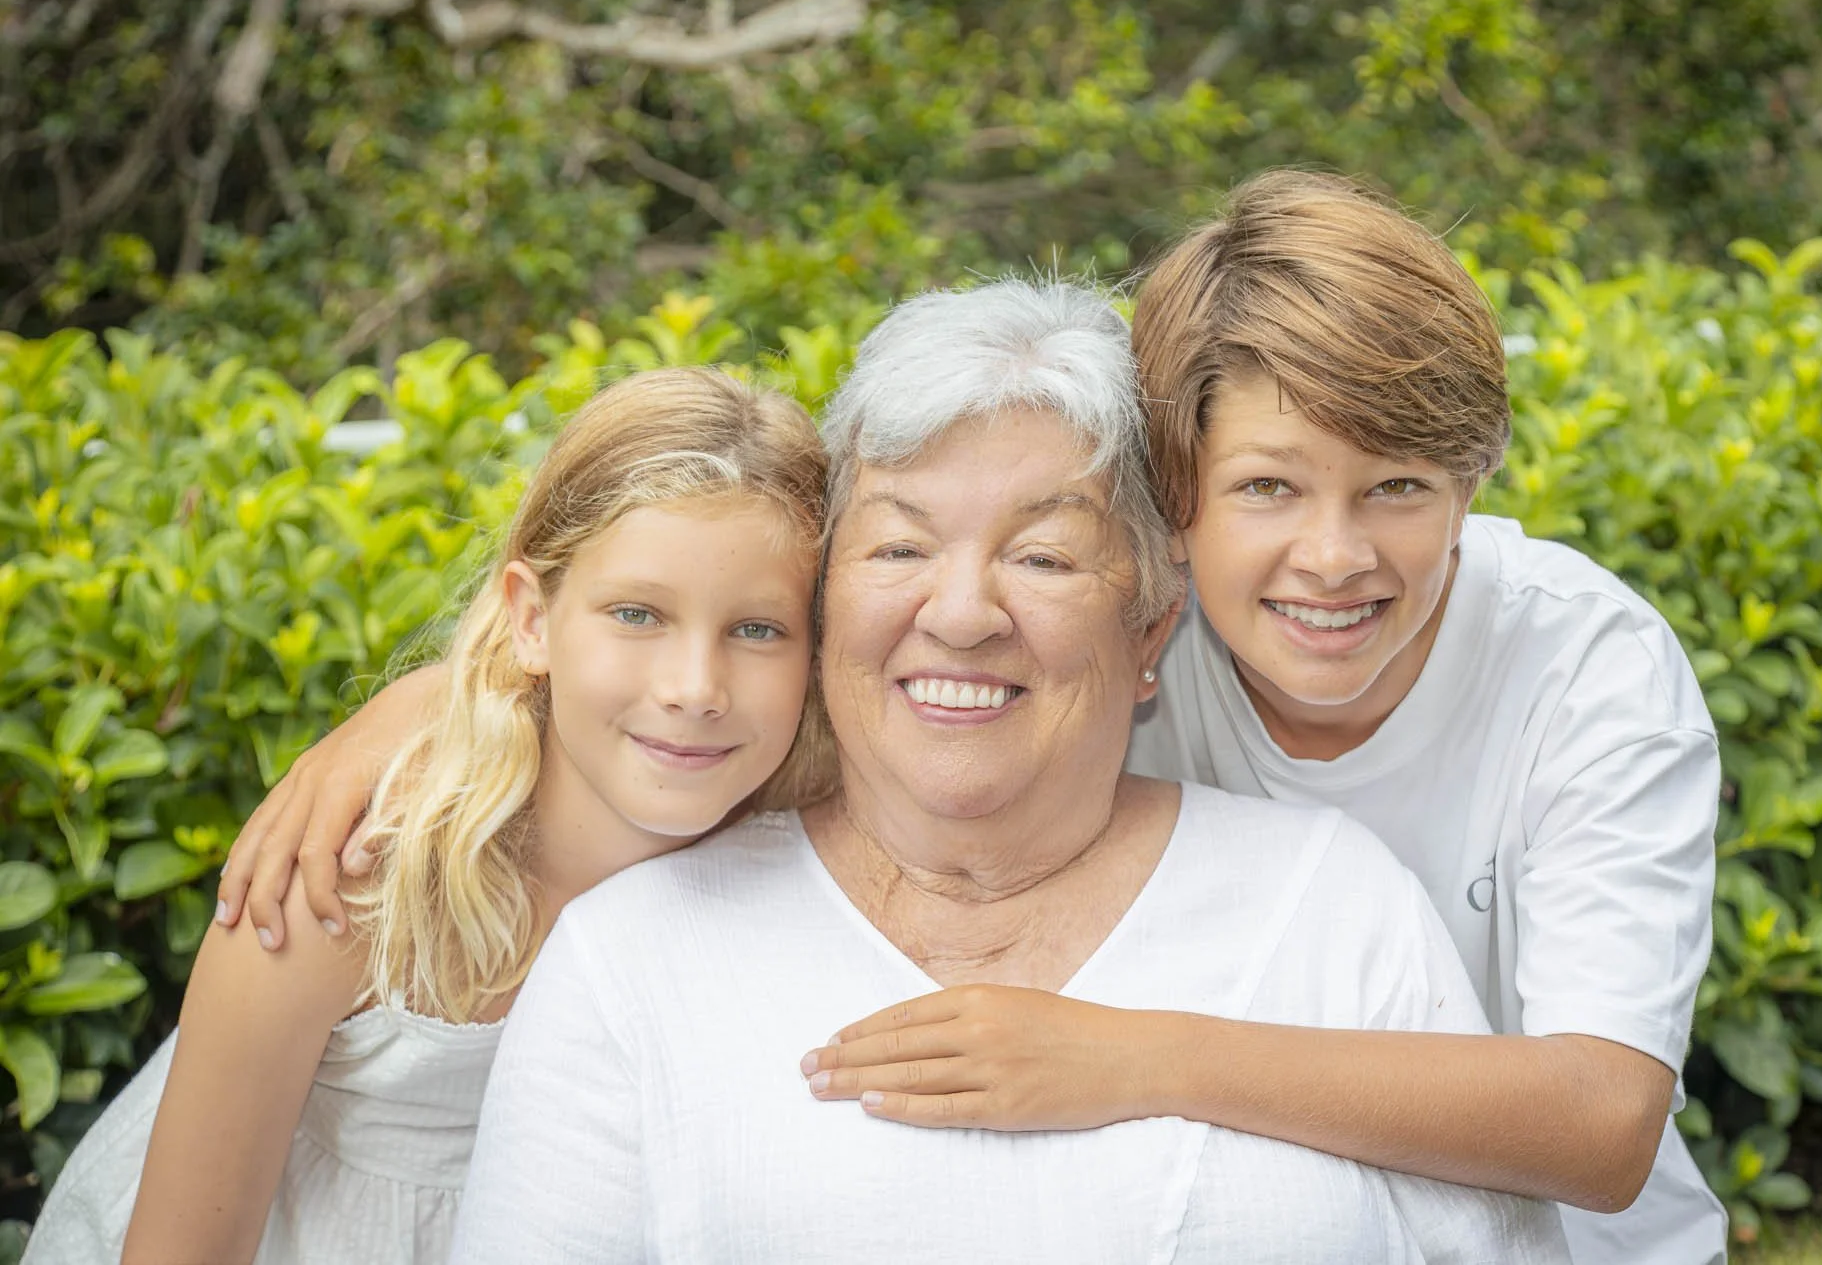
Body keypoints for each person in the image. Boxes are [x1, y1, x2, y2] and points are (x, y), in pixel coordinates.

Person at [445, 280, 1565, 1261]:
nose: (965, 612)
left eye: (1041, 555)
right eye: (898, 547)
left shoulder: (1334, 904)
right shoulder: (632, 956)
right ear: (821, 600)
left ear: (1149, 629)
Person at [794, 172, 1726, 1264]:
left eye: (1397, 487)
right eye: (1266, 489)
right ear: (1175, 493)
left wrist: (1133, 1058)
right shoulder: (1125, 643)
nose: (1332, 557)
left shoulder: (1584, 668)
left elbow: (1603, 1120)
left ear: (1470, 485)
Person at [26, 367, 830, 1265]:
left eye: (758, 629)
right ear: (532, 620)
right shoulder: (349, 876)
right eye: (636, 613)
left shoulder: (803, 847)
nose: (694, 689)